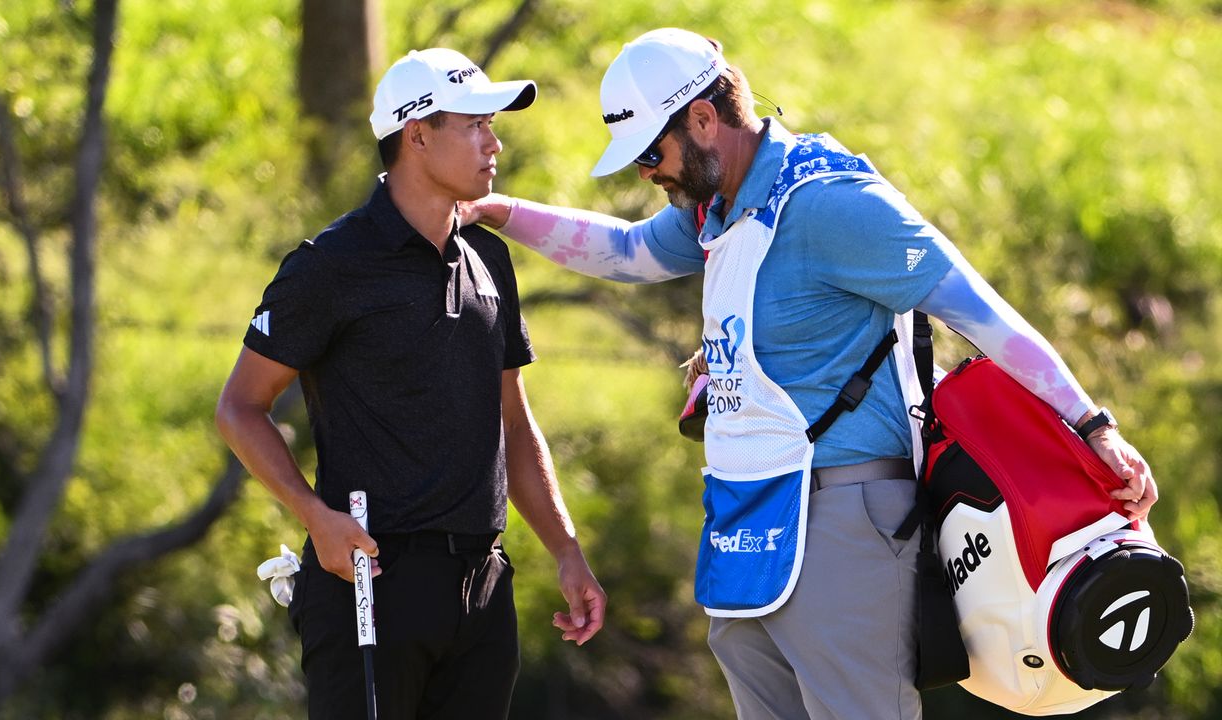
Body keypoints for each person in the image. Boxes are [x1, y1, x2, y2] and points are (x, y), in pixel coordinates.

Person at [461, 28, 1157, 720]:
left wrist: (1094, 425)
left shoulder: (833, 203)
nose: (647, 173)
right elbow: (627, 251)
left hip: (841, 520)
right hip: (745, 525)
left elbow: (981, 313)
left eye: (652, 152)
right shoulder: (717, 206)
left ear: (704, 119)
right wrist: (496, 212)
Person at [216, 47, 606, 720]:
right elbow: (240, 408)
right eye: (475, 125)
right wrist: (316, 519)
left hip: (483, 589)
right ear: (418, 133)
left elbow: (514, 422)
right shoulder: (330, 266)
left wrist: (566, 551)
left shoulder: (489, 257)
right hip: (372, 582)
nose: (496, 142)